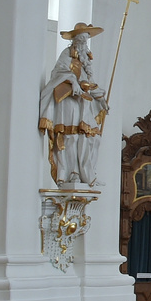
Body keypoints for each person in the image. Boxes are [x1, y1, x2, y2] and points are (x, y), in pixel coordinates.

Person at [39, 23, 108, 189]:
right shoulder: (67, 55)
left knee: (92, 137)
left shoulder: (86, 61)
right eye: (81, 39)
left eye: (86, 39)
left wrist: (101, 99)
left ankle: (88, 174)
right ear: (75, 40)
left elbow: (90, 83)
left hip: (84, 101)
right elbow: (58, 73)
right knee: (70, 136)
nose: (84, 43)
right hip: (68, 100)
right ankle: (69, 173)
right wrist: (71, 80)